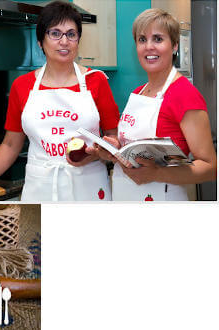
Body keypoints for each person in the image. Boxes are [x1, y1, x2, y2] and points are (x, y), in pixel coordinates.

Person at [0, 0, 119, 201]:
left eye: (71, 34)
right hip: (40, 188)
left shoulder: (96, 80)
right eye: (55, 33)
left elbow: (114, 139)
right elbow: (11, 145)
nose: (64, 41)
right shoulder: (22, 85)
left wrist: (97, 154)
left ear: (78, 41)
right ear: (40, 42)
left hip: (89, 187)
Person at [92, 8, 216, 201]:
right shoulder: (138, 92)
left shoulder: (184, 94)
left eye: (158, 39)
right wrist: (115, 150)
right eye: (142, 39)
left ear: (174, 45)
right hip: (125, 196)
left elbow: (210, 168)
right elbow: (135, 150)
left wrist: (156, 173)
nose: (149, 46)